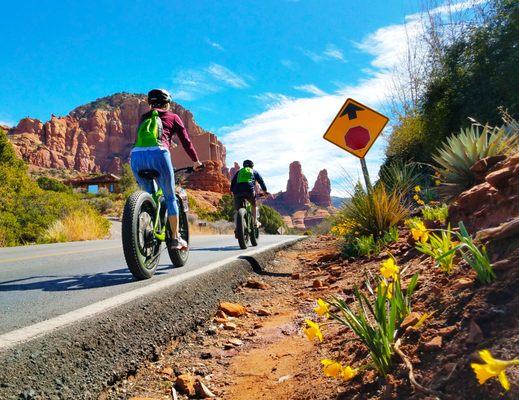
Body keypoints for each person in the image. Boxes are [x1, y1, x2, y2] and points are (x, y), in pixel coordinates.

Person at [131, 89, 203, 249]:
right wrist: (196, 161)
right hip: (159, 154)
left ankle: (148, 227)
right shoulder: (173, 117)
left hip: (136, 157)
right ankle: (176, 238)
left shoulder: (144, 117)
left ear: (151, 104)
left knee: (149, 196)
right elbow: (186, 142)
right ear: (167, 103)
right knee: (170, 197)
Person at [230, 160, 269, 228]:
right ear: (252, 166)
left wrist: (232, 191)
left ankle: (237, 228)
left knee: (237, 210)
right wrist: (265, 191)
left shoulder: (239, 172)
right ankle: (255, 221)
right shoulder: (254, 171)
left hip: (238, 191)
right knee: (253, 204)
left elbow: (233, 182)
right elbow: (261, 181)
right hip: (249, 190)